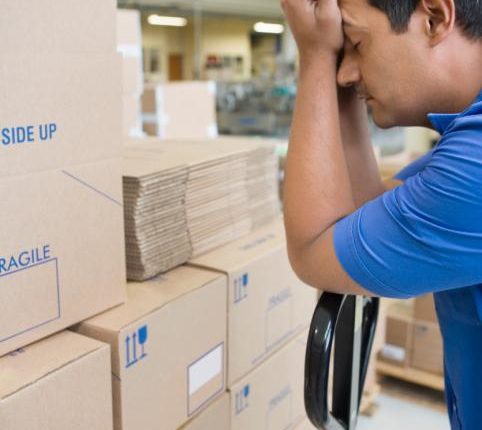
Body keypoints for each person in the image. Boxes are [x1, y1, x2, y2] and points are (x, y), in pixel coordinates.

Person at [280, 0, 482, 428]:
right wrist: (342, 71)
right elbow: (361, 216)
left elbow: (314, 247)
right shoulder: (465, 143)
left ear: (434, 19)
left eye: (355, 44)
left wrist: (316, 55)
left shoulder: (475, 168)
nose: (345, 72)